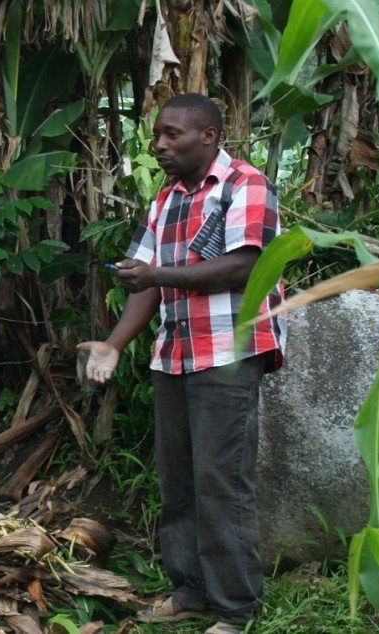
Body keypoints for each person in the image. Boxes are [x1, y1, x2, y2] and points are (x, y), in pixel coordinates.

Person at [77, 93, 286, 634]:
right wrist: (116, 343)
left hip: (228, 353)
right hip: (173, 355)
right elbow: (144, 276)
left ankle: (235, 608)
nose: (161, 145)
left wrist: (158, 276)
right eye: (157, 136)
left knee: (221, 481)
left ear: (209, 135)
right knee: (179, 482)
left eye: (173, 135)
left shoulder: (246, 184)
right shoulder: (166, 197)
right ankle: (190, 591)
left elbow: (243, 265)